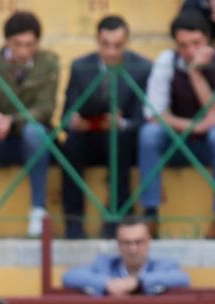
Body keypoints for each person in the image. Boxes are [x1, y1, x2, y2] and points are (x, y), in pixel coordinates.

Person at [139, 9, 215, 239]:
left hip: (209, 145)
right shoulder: (167, 60)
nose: (190, 51)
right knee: (149, 134)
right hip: (178, 140)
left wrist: (195, 74)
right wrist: (195, 126)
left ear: (208, 40)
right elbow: (154, 114)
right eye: (183, 45)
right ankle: (151, 213)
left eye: (196, 43)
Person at [0, 11, 60, 239]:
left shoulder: (49, 62)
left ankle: (38, 210)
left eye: (30, 44)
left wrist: (11, 120)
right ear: (7, 41)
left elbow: (45, 109)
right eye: (18, 44)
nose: (24, 51)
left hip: (33, 140)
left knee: (34, 132)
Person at [59, 15, 152, 240]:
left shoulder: (142, 67)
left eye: (118, 45)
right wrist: (75, 121)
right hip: (88, 136)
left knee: (119, 141)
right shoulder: (80, 67)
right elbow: (66, 114)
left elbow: (143, 118)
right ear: (97, 41)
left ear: (127, 41)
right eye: (105, 44)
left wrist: (122, 123)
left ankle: (117, 217)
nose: (111, 52)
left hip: (123, 137)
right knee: (70, 145)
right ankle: (74, 221)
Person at [62, 215, 190, 295]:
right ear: (118, 244)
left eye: (138, 242)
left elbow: (182, 278)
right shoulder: (104, 266)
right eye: (127, 243)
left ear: (148, 242)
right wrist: (107, 283)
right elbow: (69, 276)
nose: (133, 249)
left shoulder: (162, 266)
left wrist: (138, 282)